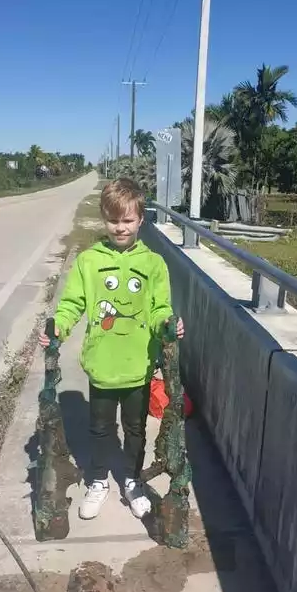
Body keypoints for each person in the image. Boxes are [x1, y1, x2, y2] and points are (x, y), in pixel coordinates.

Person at [39, 177, 185, 520]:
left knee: (135, 430)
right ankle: (99, 480)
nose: (120, 228)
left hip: (139, 366)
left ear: (140, 220)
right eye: (114, 220)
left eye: (128, 220)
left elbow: (160, 307)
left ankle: (133, 480)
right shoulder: (88, 261)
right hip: (102, 366)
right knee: (101, 429)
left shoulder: (154, 264)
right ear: (104, 218)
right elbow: (72, 304)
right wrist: (58, 326)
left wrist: (168, 323)